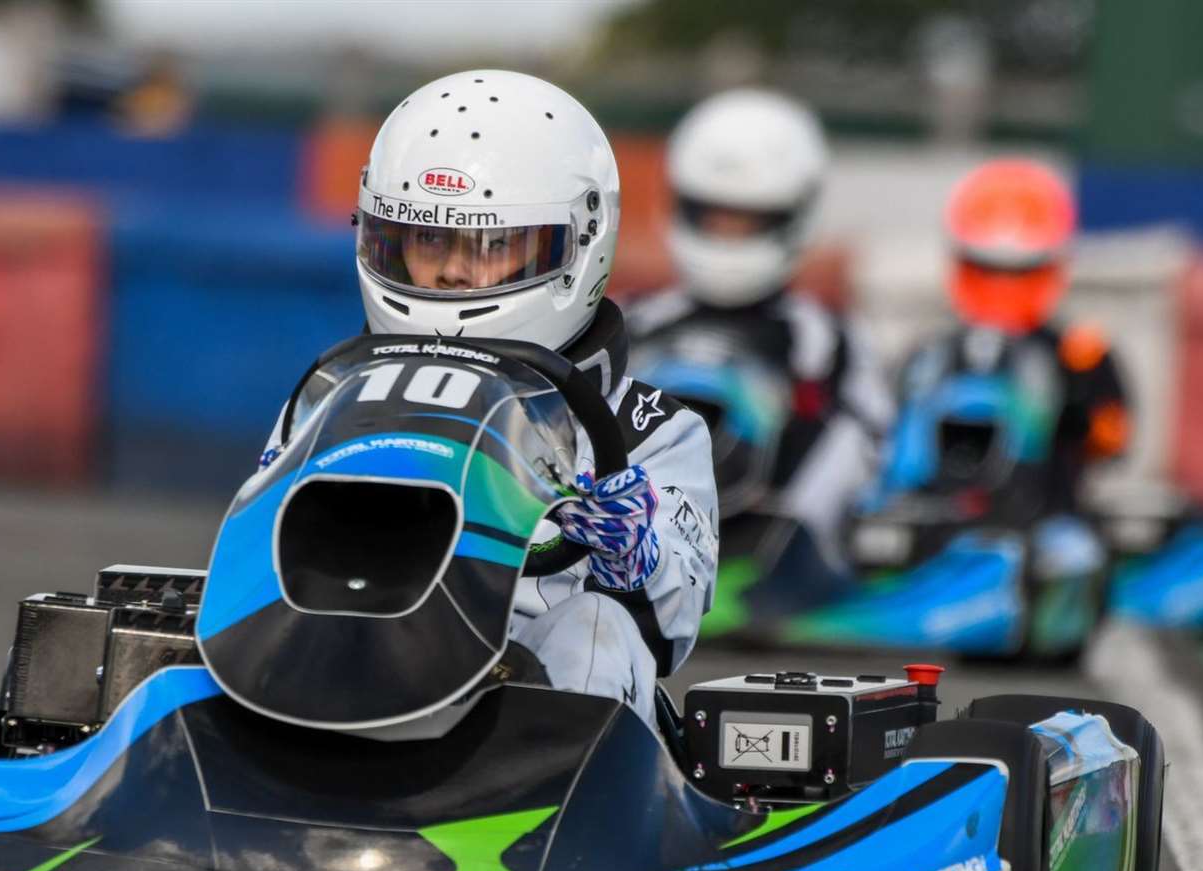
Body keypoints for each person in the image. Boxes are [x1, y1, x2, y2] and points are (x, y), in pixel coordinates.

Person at [254, 70, 718, 731]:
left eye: (492, 246)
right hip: (352, 666)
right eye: (428, 239)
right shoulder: (329, 397)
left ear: (577, 246)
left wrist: (632, 551)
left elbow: (670, 629)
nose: (450, 271)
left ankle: (552, 817)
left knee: (598, 625)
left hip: (524, 716)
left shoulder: (652, 432)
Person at [626, 89, 892, 569]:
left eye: (746, 222)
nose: (728, 234)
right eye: (716, 218)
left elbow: (874, 438)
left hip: (769, 528)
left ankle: (788, 558)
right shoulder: (638, 321)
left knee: (849, 432)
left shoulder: (824, 336)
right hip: (631, 516)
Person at [897, 158, 1129, 511]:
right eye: (989, 269)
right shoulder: (931, 354)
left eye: (1018, 271)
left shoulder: (1077, 354)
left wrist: (1079, 397)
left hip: (1045, 522)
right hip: (937, 520)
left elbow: (1110, 443)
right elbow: (891, 445)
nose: (1003, 283)